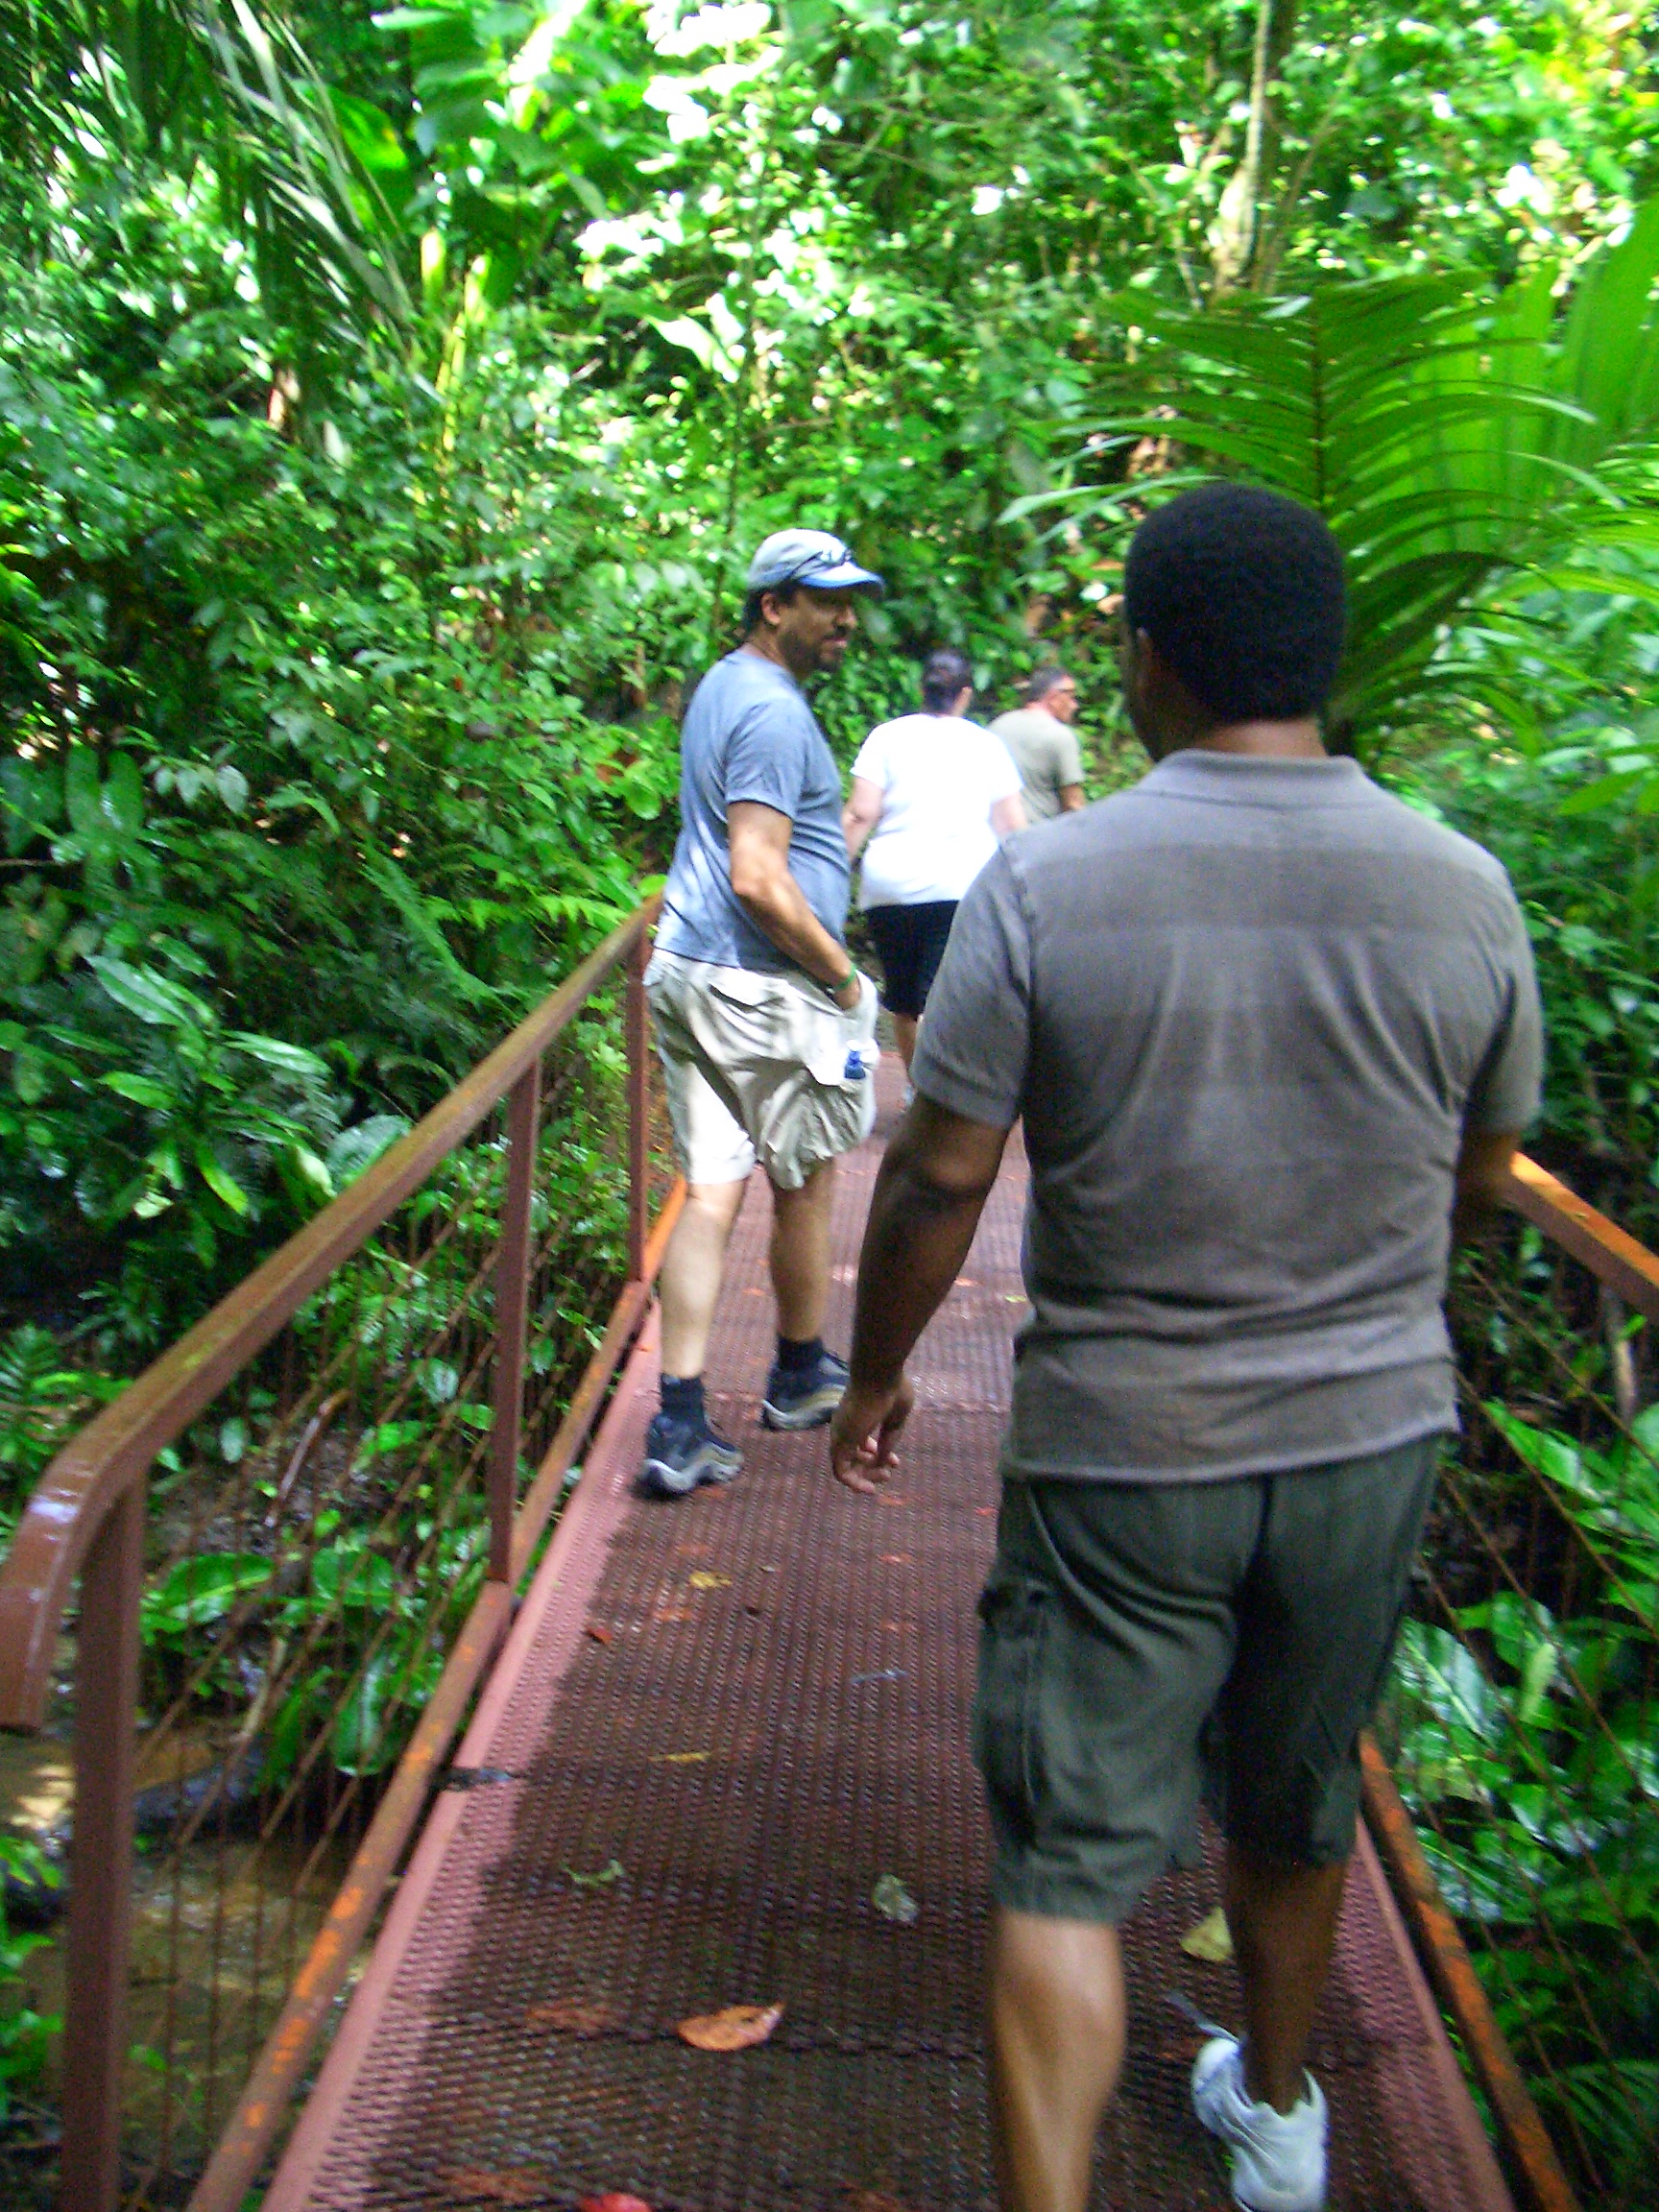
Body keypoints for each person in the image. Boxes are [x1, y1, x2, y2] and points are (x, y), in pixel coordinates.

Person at [828, 482, 1542, 2212]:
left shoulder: (1052, 881)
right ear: (1328, 661)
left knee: (1070, 1862)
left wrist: (873, 1366)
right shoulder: (1461, 887)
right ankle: (1280, 2119)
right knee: (1296, 1801)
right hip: (1366, 1436)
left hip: (1119, 1449)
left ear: (1143, 666)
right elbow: (1482, 1174)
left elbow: (938, 1168)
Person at [641, 528, 885, 1501]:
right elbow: (758, 876)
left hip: (689, 970)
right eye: (826, 601)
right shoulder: (776, 714)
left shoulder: (719, 686)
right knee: (808, 1177)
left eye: (850, 600)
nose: (847, 620)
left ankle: (681, 1417)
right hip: (760, 984)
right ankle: (796, 1372)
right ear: (774, 606)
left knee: (709, 1191)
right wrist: (844, 980)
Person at [841, 648, 1027, 1072]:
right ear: (965, 694)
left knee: (905, 1000)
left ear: (921, 689)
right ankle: (935, 1102)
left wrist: (829, 872)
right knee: (939, 998)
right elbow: (1013, 827)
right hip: (961, 886)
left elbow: (860, 813)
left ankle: (916, 1092)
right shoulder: (986, 744)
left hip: (889, 887)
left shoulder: (886, 737)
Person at [991, 664, 1086, 822]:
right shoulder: (1060, 736)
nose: (1074, 705)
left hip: (999, 834)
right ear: (1054, 698)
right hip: (1041, 836)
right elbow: (1073, 803)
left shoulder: (997, 726)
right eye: (1071, 697)